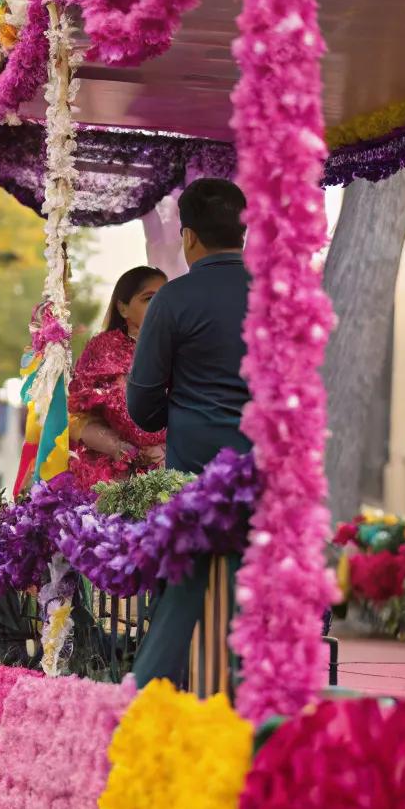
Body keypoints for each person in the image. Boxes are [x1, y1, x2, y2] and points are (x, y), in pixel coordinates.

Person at [127, 178, 252, 688]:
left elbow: (142, 405)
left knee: (180, 594)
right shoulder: (282, 295)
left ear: (190, 237)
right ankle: (256, 713)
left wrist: (173, 412)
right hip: (266, 472)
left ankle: (148, 706)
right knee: (255, 598)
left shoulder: (173, 301)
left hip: (193, 477)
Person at [68, 266, 168, 491]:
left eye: (166, 297)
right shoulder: (103, 349)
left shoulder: (185, 346)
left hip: (180, 471)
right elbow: (76, 417)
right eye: (149, 298)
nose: (160, 305)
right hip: (117, 478)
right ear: (123, 308)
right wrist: (119, 448)